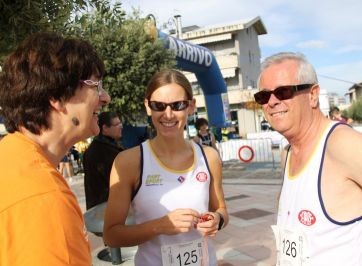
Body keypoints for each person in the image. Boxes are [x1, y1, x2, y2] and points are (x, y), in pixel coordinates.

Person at [254, 52, 362, 265]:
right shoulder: (288, 153)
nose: (272, 102)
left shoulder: (344, 146)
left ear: (313, 95)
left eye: (283, 92)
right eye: (263, 96)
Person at [0, 32, 110, 265]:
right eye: (96, 85)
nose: (105, 97)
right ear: (57, 97)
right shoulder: (44, 199)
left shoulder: (10, 157)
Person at [103, 69, 228, 266]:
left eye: (177, 105)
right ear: (147, 107)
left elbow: (221, 210)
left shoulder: (209, 157)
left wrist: (216, 219)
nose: (168, 115)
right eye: (158, 106)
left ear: (191, 106)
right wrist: (159, 226)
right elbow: (111, 235)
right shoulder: (128, 162)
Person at [83, 111, 123, 210]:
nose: (121, 126)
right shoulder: (101, 151)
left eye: (120, 123)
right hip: (105, 209)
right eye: (117, 124)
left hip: (103, 207)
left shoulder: (104, 147)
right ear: (105, 128)